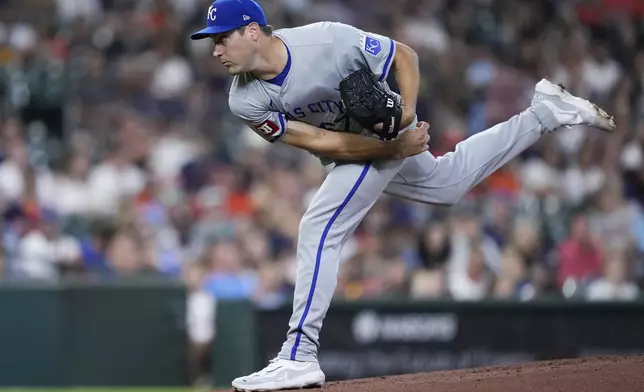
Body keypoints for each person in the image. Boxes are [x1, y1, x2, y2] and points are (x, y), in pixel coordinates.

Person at [189, 0, 615, 390]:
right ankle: (543, 113)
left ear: (251, 31)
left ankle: (299, 353)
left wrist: (407, 116)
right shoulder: (243, 100)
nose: (215, 50)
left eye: (221, 38)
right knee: (447, 184)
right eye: (211, 42)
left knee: (318, 227)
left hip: (388, 125)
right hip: (365, 145)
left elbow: (404, 56)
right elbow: (323, 143)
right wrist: (395, 148)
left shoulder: (326, 39)